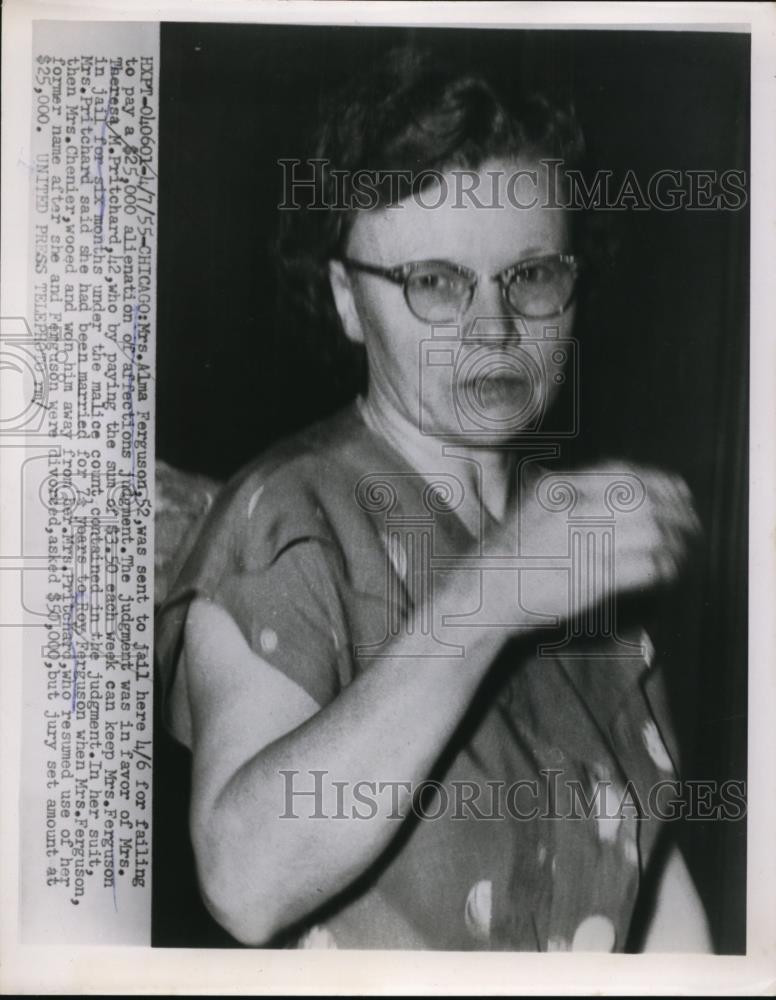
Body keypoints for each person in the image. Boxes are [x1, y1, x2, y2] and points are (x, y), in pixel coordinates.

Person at [155, 47, 712, 952]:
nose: (491, 328)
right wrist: (492, 593)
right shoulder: (291, 520)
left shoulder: (578, 544)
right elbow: (244, 879)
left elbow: (654, 890)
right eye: (435, 283)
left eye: (530, 275)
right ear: (345, 297)